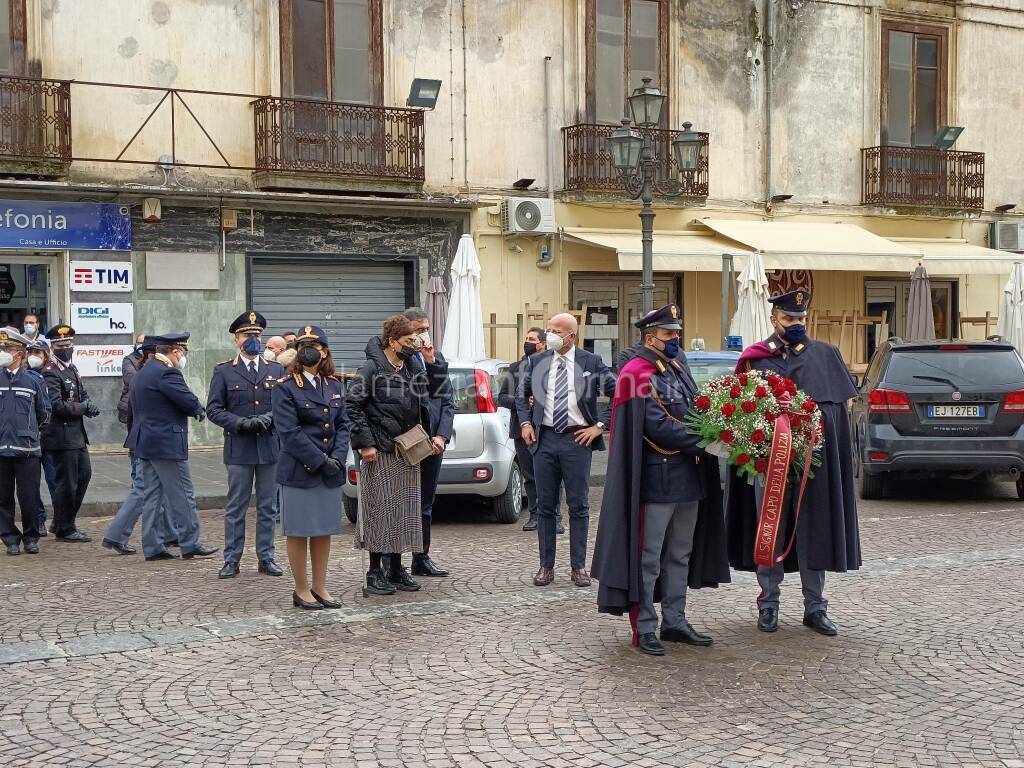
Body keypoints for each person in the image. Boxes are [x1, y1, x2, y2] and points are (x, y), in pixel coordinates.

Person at [591, 305, 731, 656]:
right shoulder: (636, 374)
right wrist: (708, 440)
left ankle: (675, 620)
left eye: (676, 334)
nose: (675, 339)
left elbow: (695, 410)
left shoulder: (676, 368)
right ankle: (647, 625)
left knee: (680, 554)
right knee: (650, 556)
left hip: (689, 475)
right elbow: (658, 426)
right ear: (650, 337)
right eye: (669, 335)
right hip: (657, 477)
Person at [726, 290, 861, 636]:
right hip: (767, 465)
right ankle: (768, 604)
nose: (797, 324)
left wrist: (816, 428)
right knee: (769, 528)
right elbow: (741, 413)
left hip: (813, 465)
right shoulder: (756, 359)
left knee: (815, 531)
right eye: (789, 319)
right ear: (774, 320)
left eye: (801, 319)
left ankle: (815, 607)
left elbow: (837, 413)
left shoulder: (826, 355)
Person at [347, 315, 447, 595]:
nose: (413, 345)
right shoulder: (371, 368)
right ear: (392, 342)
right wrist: (366, 444)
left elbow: (435, 392)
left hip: (408, 449)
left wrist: (432, 361)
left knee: (404, 512)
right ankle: (374, 572)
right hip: (379, 451)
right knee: (380, 512)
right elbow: (352, 406)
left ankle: (396, 567)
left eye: (414, 340)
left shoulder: (411, 367)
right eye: (408, 341)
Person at [515, 313, 616, 588]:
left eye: (556, 331)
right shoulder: (537, 361)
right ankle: (546, 566)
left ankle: (578, 567)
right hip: (544, 439)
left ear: (571, 336)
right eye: (548, 330)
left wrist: (599, 425)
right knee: (546, 506)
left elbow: (618, 392)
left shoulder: (590, 362)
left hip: (577, 440)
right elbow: (520, 394)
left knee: (579, 505)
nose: (550, 335)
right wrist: (525, 422)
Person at [272, 325, 350, 609]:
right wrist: (320, 461)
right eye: (303, 345)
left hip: (330, 470)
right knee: (299, 530)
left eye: (315, 346)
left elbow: (344, 425)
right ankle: (301, 588)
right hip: (300, 470)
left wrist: (338, 459)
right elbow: (289, 433)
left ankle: (320, 586)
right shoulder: (285, 387)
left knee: (323, 530)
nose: (309, 351)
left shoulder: (334, 385)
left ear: (324, 352)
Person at [126, 332, 218, 562]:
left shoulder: (143, 371)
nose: (182, 357)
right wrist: (198, 409)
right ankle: (190, 542)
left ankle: (153, 546)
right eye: (182, 352)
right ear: (175, 351)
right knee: (183, 495)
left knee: (152, 496)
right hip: (165, 443)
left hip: (145, 442)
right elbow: (186, 399)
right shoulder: (167, 372)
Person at [206, 311, 285, 579]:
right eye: (247, 335)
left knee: (268, 507)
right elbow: (214, 410)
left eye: (257, 335)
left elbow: (286, 407)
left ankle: (267, 557)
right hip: (239, 448)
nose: (252, 339)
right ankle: (231, 560)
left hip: (269, 448)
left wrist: (268, 418)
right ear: (236, 340)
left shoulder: (276, 370)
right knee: (236, 507)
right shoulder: (224, 371)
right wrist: (239, 423)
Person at [103, 336, 179, 555]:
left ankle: (170, 534)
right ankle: (116, 536)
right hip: (146, 442)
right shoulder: (147, 378)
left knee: (156, 487)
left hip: (144, 440)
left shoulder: (146, 377)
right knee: (142, 489)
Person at [399, 307, 453, 577]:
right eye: (418, 330)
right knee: (401, 502)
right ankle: (393, 561)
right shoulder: (400, 359)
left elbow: (446, 400)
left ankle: (421, 556)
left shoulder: (436, 358)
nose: (424, 334)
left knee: (425, 504)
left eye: (426, 329)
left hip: (433, 443)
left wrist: (441, 435)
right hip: (408, 442)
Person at [496, 327, 563, 534]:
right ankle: (535, 515)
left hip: (548, 428)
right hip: (521, 428)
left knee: (553, 475)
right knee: (530, 476)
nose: (527, 342)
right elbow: (502, 398)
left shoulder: (555, 365)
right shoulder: (515, 367)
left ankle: (556, 518)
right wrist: (522, 401)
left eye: (532, 339)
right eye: (526, 338)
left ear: (543, 344)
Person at [41, 324, 98, 543]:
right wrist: (83, 407)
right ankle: (66, 527)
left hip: (77, 435)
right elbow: (57, 406)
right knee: (68, 482)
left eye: (69, 344)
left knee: (84, 476)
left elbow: (81, 395)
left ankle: (61, 521)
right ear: (53, 347)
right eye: (62, 345)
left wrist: (89, 405)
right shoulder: (50, 373)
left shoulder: (71, 369)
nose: (67, 348)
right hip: (61, 436)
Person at [0, 328, 49, 555]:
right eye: (2, 349)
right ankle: (9, 538)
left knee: (29, 497)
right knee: (3, 498)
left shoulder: (33, 380)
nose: (3, 352)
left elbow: (44, 412)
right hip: (1, 450)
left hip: (27, 449)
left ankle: (31, 537)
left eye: (8, 349)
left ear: (19, 353)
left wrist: (32, 431)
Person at [24, 337, 55, 536]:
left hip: (52, 439)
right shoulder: (24, 375)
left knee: (55, 483)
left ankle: (61, 522)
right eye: (32, 353)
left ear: (45, 356)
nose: (34, 357)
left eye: (38, 353)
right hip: (32, 439)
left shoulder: (52, 375)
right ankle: (39, 520)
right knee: (32, 485)